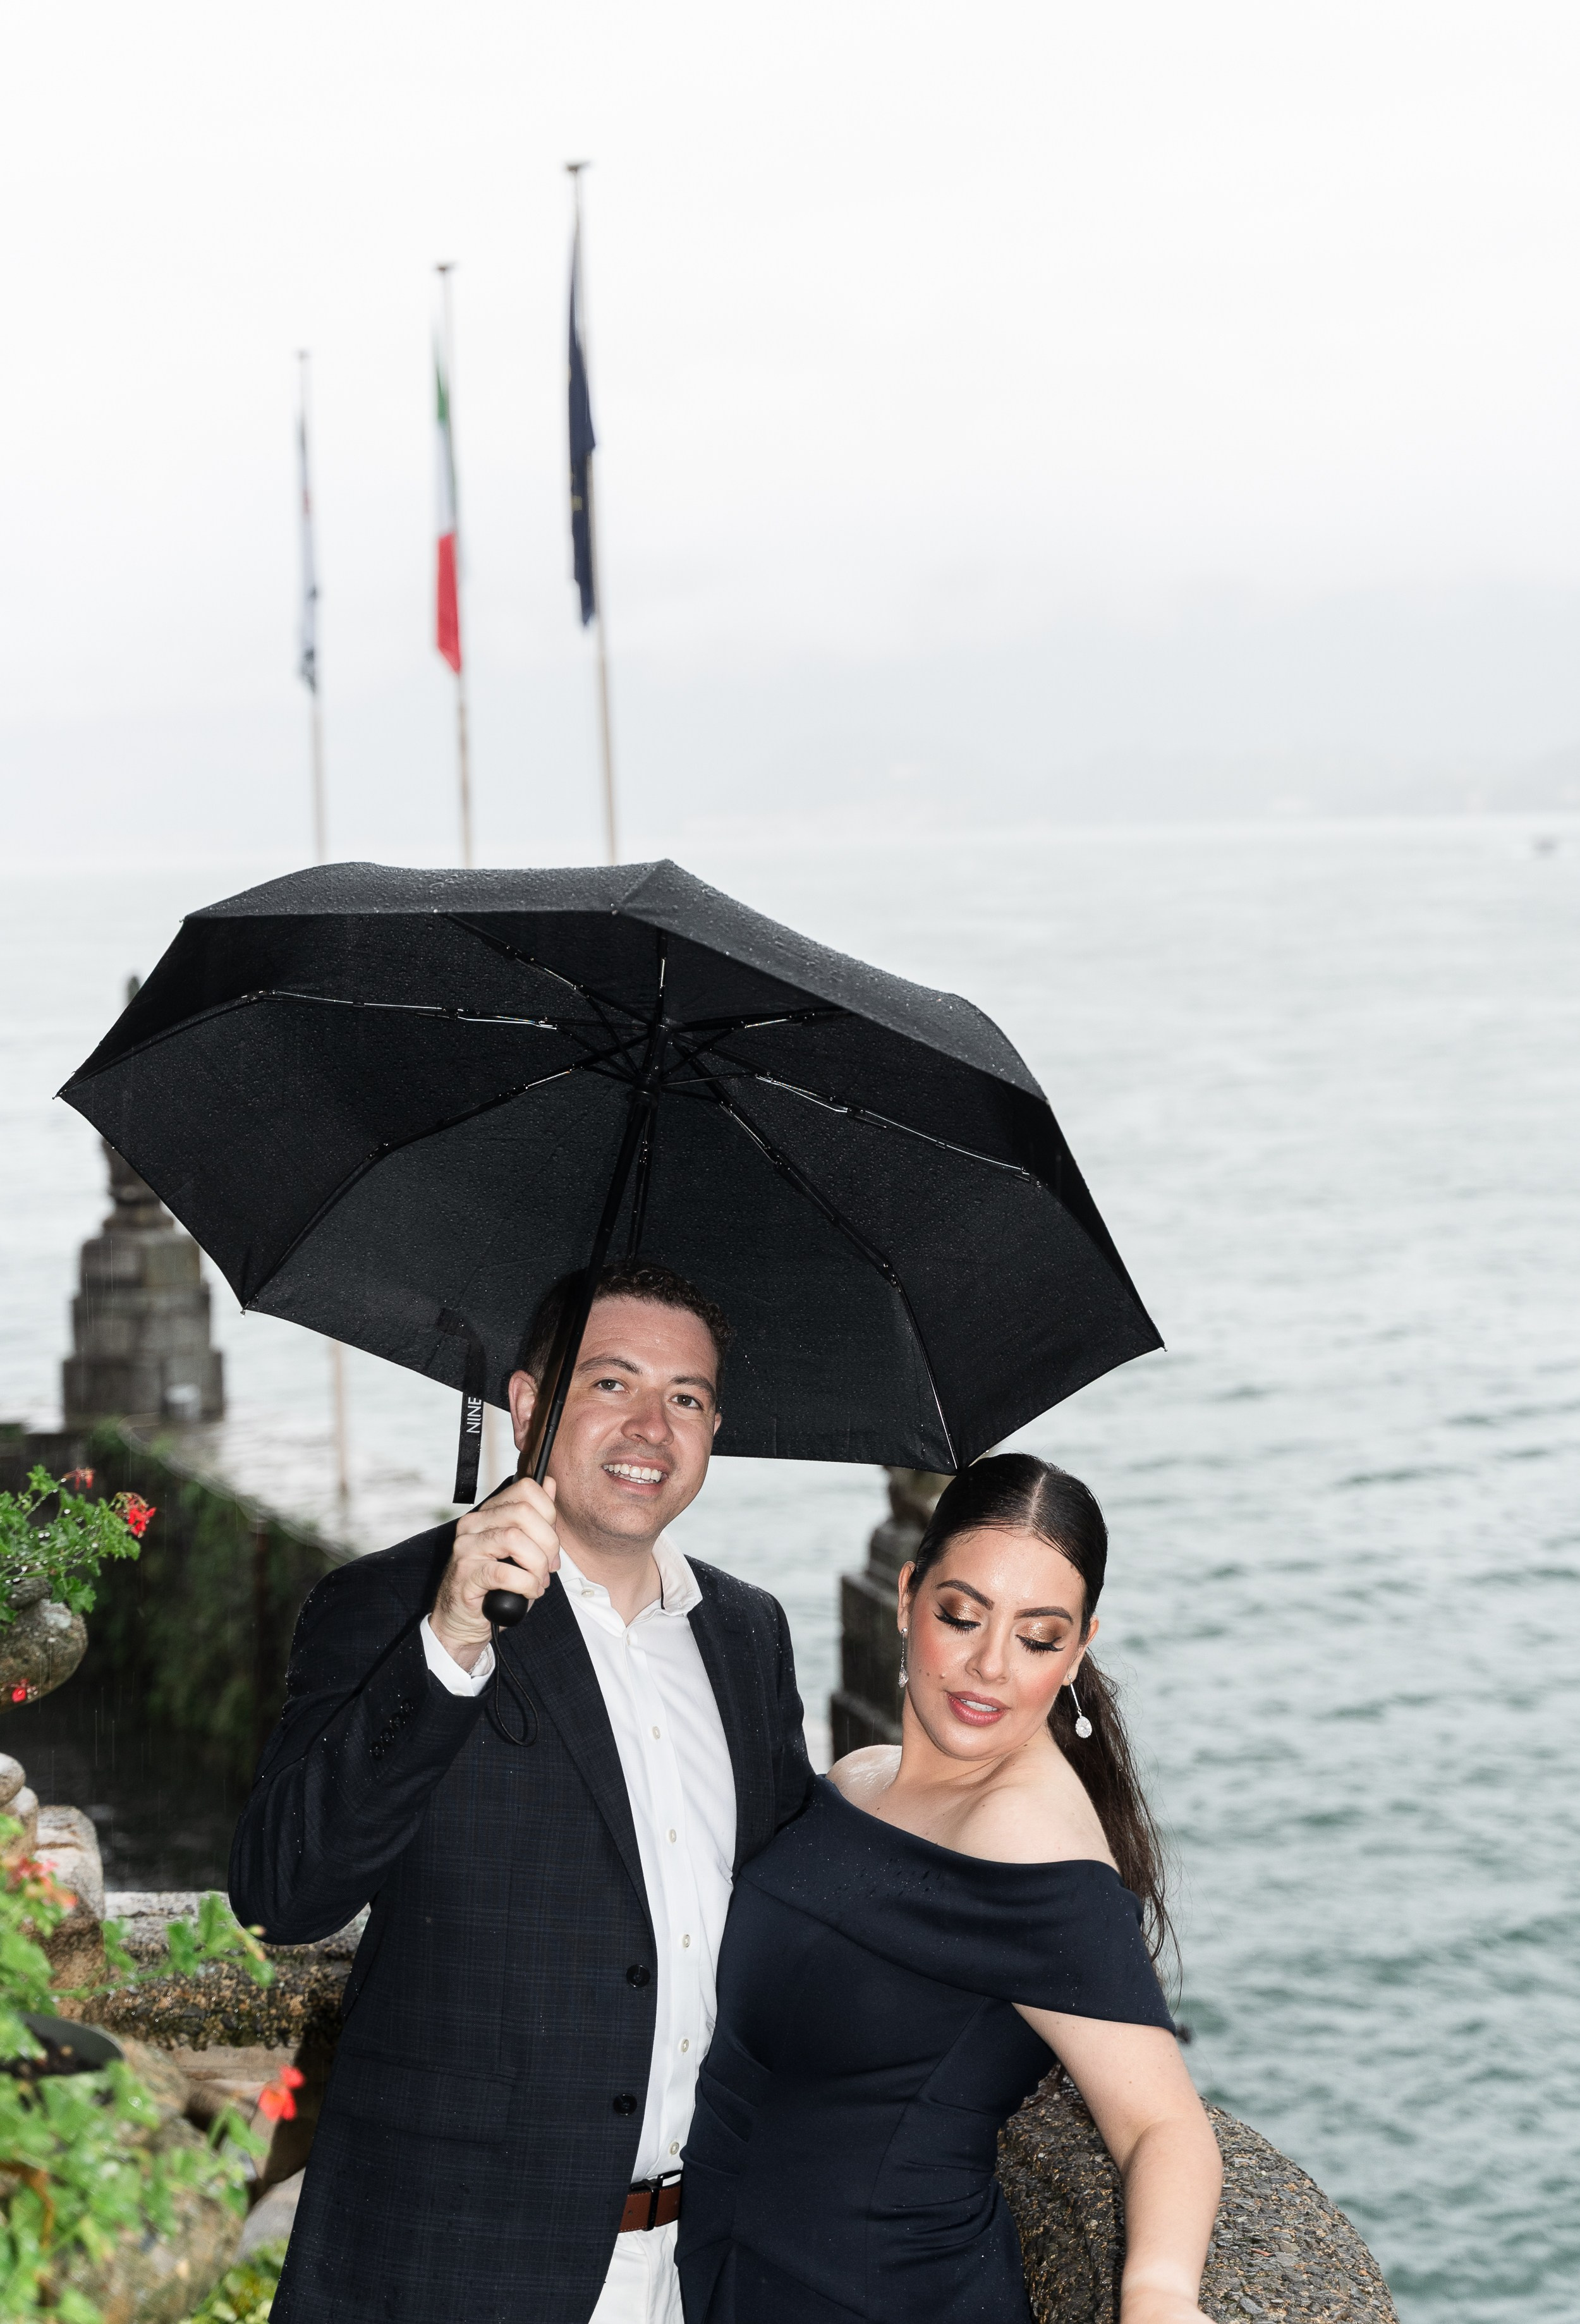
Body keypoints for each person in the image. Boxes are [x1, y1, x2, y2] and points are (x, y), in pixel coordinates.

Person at [229, 1260, 811, 2324]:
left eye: (685, 1398)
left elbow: (794, 1910)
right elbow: (283, 1892)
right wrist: (449, 1640)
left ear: (714, 1428)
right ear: (529, 1406)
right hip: (452, 2267)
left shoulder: (748, 1633)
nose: (651, 1426)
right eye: (611, 1384)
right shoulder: (391, 1606)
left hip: (703, 2263)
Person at [677, 1453, 1222, 2324]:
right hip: (725, 2275)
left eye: (1040, 1636)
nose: (991, 1665)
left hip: (888, 2296)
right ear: (906, 1597)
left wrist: (1158, 2292)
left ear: (1079, 1649)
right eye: (963, 1616)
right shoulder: (857, 1778)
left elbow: (1165, 2124)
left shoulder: (1030, 1840)